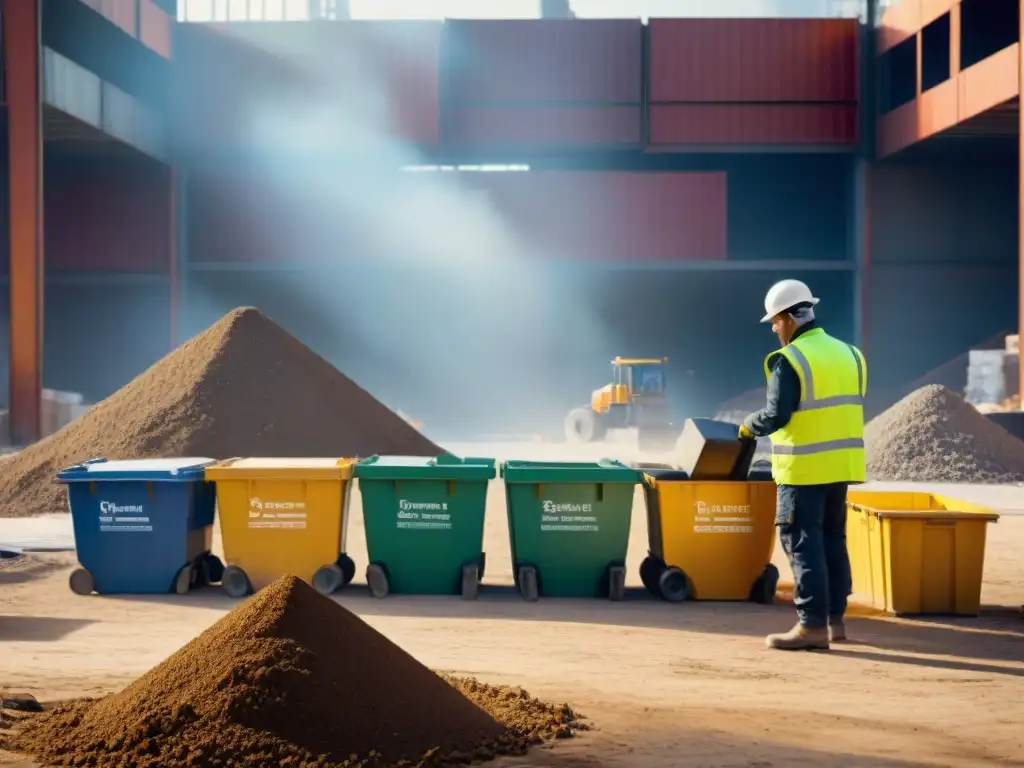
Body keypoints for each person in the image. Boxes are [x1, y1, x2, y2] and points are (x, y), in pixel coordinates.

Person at [739, 279, 867, 651]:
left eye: (775, 323)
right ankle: (834, 621)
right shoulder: (851, 354)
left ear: (789, 318)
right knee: (832, 541)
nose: (775, 330)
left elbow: (778, 414)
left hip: (804, 469)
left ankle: (811, 626)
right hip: (840, 465)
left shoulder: (790, 360)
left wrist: (749, 426)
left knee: (801, 542)